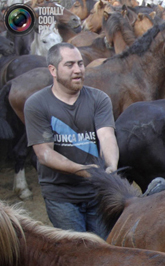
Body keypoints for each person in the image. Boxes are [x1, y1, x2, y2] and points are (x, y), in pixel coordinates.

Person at [24, 43, 118, 240]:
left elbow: (107, 136)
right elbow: (45, 154)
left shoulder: (98, 99)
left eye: (80, 64)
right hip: (61, 197)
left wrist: (110, 166)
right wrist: (83, 170)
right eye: (69, 65)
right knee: (78, 252)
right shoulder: (37, 104)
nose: (78, 70)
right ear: (53, 70)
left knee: (105, 248)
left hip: (97, 193)